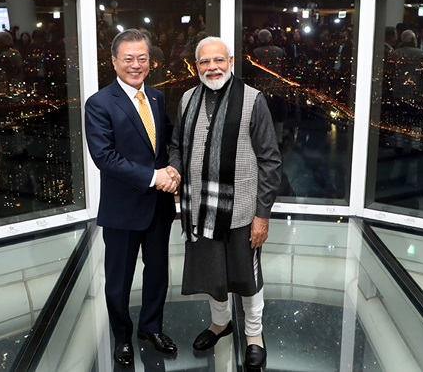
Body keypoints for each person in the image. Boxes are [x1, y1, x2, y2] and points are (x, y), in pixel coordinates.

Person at [169, 36, 281, 369]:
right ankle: (220, 324)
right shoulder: (187, 99)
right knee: (212, 274)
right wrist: (175, 170)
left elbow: (271, 160)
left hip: (243, 211)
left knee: (248, 277)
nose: (212, 67)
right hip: (200, 209)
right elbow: (177, 145)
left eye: (219, 60)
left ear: (230, 62)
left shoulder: (252, 100)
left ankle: (254, 334)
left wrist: (262, 214)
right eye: (205, 62)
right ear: (196, 65)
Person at [84, 28, 180, 368]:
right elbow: (104, 157)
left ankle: (151, 328)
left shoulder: (156, 97)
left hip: (158, 208)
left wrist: (174, 170)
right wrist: (155, 177)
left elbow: (168, 141)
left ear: (150, 62)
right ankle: (122, 337)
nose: (135, 65)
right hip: (123, 209)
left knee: (157, 273)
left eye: (142, 58)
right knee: (119, 280)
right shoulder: (98, 103)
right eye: (128, 59)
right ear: (114, 61)